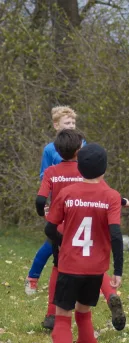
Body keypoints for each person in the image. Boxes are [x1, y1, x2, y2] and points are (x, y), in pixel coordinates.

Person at [45, 143, 124, 343]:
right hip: (95, 270)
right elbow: (116, 235)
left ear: (79, 167)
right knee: (84, 315)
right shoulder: (111, 196)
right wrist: (118, 270)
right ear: (105, 168)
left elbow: (50, 228)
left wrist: (64, 240)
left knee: (62, 318)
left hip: (69, 267)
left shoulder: (67, 193)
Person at [36, 130, 127, 332]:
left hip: (63, 229)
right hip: (90, 228)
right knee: (95, 267)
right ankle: (110, 294)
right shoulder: (85, 170)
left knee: (58, 268)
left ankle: (52, 314)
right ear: (79, 151)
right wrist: (122, 201)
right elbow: (103, 192)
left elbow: (40, 200)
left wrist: (43, 213)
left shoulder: (52, 172)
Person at [25, 106, 78, 295]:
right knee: (52, 244)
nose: (71, 126)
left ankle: (79, 283)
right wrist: (46, 200)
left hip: (78, 204)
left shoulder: (82, 144)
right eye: (67, 123)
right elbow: (44, 175)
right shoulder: (50, 149)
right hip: (58, 205)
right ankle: (33, 277)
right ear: (56, 126)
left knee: (76, 244)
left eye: (73, 122)